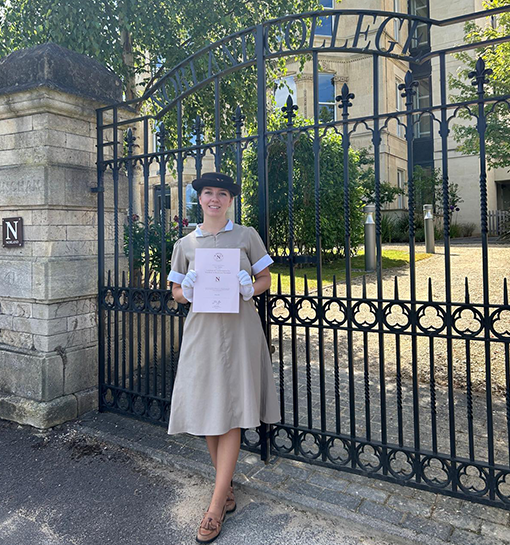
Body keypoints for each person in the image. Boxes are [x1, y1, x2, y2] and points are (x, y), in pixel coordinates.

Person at [167, 172, 281, 543]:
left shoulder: (245, 236)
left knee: (230, 409)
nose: (214, 199)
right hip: (202, 332)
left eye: (222, 194)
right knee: (207, 408)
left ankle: (216, 505)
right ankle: (226, 488)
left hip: (239, 330)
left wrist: (250, 286)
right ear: (198, 199)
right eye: (207, 194)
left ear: (230, 200)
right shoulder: (185, 243)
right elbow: (176, 293)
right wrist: (185, 289)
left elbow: (265, 279)